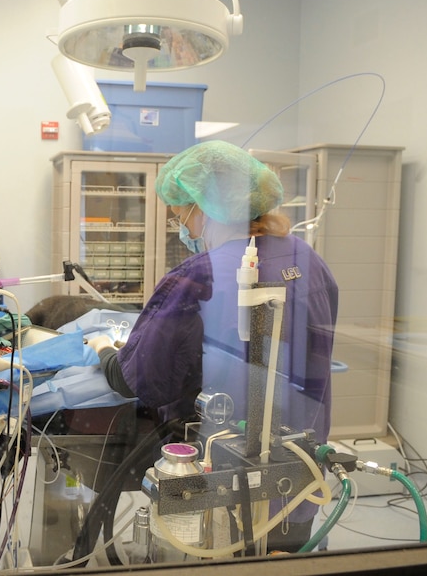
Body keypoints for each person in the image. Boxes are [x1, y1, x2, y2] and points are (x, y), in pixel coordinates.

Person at [89, 140, 338, 553]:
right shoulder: (308, 260)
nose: (183, 229)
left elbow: (138, 380)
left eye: (180, 216)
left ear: (203, 208)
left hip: (221, 479)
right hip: (300, 470)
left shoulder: (197, 276)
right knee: (287, 556)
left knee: (218, 554)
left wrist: (104, 349)